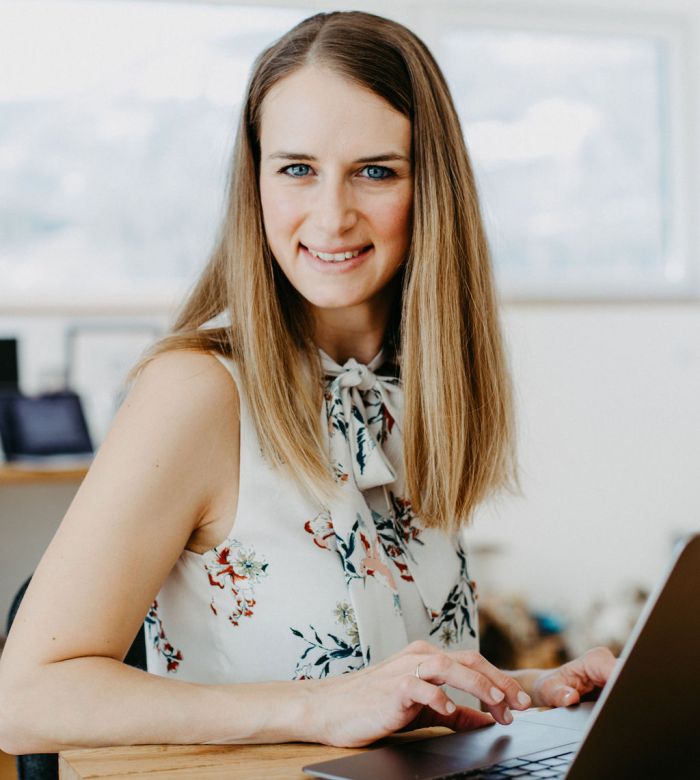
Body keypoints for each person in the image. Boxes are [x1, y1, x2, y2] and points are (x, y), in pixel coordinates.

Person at [0, 10, 615, 754]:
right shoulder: (197, 393)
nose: (331, 216)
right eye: (297, 169)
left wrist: (521, 696)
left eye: (376, 171)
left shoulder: (409, 393)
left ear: (432, 190)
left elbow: (379, 690)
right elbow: (24, 696)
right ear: (254, 181)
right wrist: (314, 707)